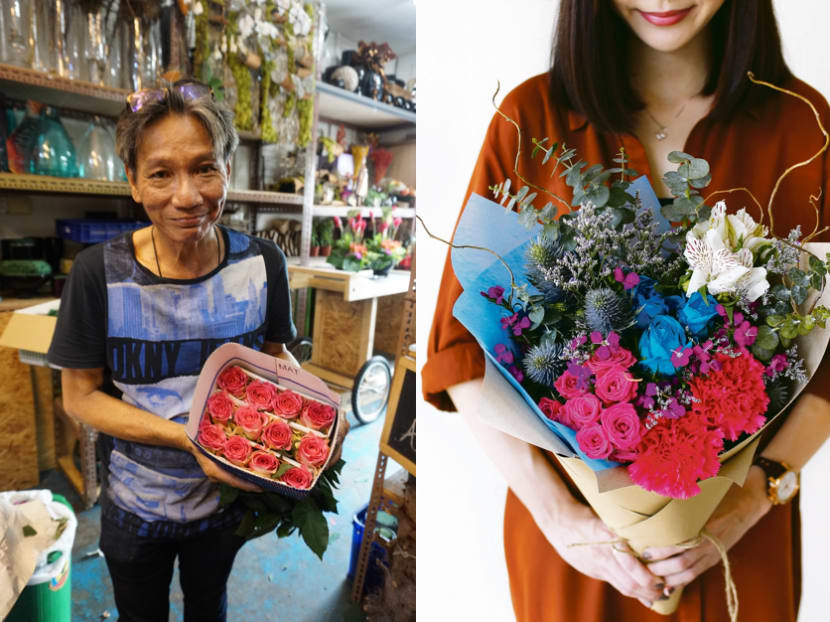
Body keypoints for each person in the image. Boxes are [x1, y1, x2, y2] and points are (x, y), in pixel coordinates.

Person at [424, 1, 830, 620]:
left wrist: (754, 494)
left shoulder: (803, 128)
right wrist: (562, 519)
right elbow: (461, 354)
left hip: (738, 546)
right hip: (580, 550)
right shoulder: (531, 118)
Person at [47, 80, 347, 622]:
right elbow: (80, 397)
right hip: (137, 503)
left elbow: (276, 362)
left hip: (228, 504)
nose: (186, 195)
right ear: (134, 183)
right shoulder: (99, 274)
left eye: (205, 168)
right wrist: (190, 440)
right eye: (161, 173)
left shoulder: (261, 265)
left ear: (227, 170)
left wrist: (319, 407)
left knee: (209, 605)